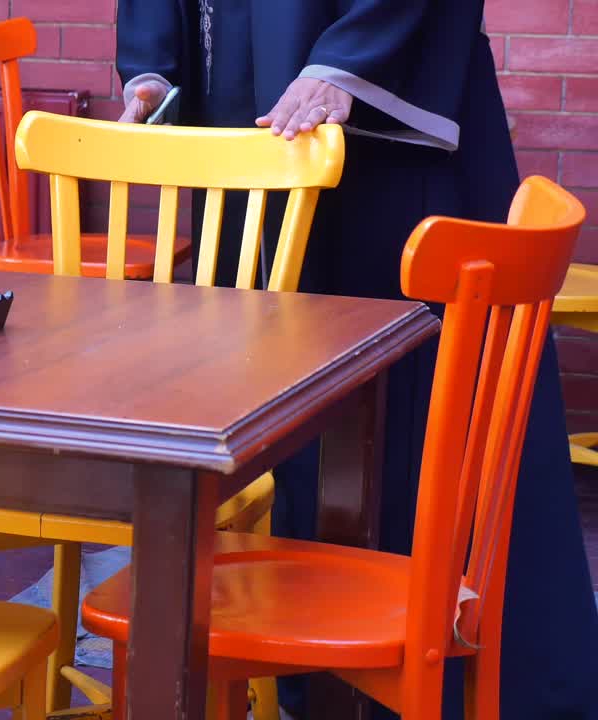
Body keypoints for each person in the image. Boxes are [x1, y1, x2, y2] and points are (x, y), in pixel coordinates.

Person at [115, 2, 598, 718]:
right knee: (278, 405)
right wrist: (154, 68)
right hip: (242, 114)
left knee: (402, 416)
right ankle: (307, 677)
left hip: (381, 133)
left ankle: (437, 682)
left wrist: (348, 61)